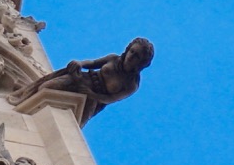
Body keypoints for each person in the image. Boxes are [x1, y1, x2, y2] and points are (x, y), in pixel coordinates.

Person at [9, 37, 154, 122]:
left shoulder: (132, 84)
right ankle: (23, 101)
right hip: (82, 79)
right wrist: (79, 63)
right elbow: (91, 63)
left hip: (91, 100)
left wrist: (91, 94)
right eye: (131, 51)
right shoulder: (113, 59)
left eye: (136, 56)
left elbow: (111, 99)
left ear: (141, 62)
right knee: (46, 87)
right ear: (127, 50)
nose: (131, 56)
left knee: (74, 123)